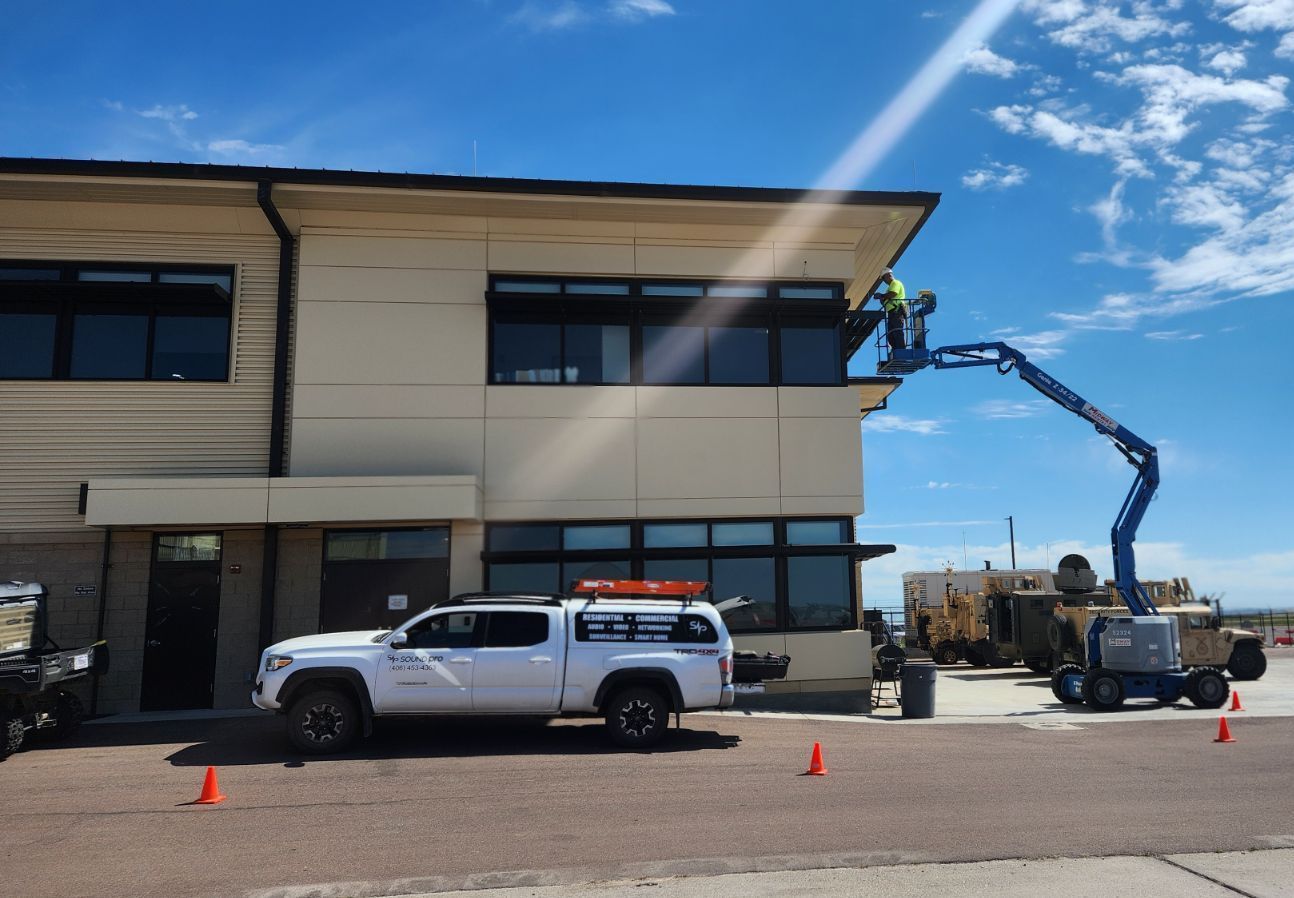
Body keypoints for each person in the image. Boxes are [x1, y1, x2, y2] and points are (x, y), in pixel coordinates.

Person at [872, 267, 907, 351]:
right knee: (891, 334)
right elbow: (886, 300)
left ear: (889, 275)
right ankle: (895, 350)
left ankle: (901, 351)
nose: (884, 280)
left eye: (884, 278)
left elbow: (893, 294)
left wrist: (882, 296)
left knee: (897, 331)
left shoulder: (895, 283)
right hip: (892, 312)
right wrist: (882, 299)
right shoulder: (889, 287)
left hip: (897, 310)